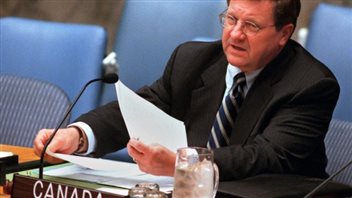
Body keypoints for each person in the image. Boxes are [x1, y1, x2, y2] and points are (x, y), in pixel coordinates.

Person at [34, 0, 339, 181]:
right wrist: (77, 136)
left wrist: (183, 164)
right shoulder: (193, 60)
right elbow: (141, 110)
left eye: (252, 26)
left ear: (284, 34)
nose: (235, 34)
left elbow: (265, 158)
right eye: (231, 19)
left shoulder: (310, 85)